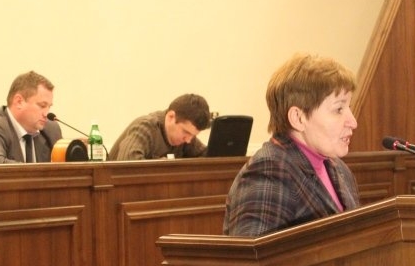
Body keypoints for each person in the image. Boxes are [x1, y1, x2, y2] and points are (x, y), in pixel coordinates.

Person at [224, 52, 360, 237]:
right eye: (338, 109)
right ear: (298, 118)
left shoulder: (339, 169)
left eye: (349, 107)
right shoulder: (269, 170)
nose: (353, 122)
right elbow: (253, 253)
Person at [0, 71, 63, 164]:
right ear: (19, 102)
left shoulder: (50, 129)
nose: (46, 114)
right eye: (42, 106)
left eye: (49, 107)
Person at [108, 94, 212, 160]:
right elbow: (128, 163)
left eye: (193, 135)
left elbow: (208, 156)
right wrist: (160, 166)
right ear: (171, 117)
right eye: (186, 132)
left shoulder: (186, 138)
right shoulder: (145, 127)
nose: (188, 140)